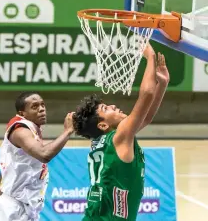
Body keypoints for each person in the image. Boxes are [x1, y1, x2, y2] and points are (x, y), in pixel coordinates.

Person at [73, 44, 170, 221]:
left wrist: (162, 84)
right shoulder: (118, 138)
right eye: (106, 108)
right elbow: (146, 94)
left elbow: (145, 118)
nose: (113, 106)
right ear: (102, 125)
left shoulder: (111, 140)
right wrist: (150, 57)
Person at [0, 92, 74, 221]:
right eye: (34, 107)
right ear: (22, 113)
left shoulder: (32, 130)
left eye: (42, 105)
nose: (41, 109)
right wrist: (68, 131)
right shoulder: (19, 130)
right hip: (13, 210)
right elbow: (44, 154)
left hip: (25, 208)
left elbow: (3, 173)